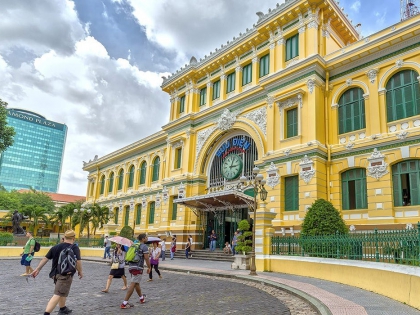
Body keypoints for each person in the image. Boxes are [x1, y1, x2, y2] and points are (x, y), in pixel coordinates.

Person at [31, 230, 83, 315]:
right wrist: (80, 271)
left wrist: (37, 269)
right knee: (58, 293)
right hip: (65, 274)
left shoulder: (56, 247)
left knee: (62, 290)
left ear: (64, 238)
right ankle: (46, 313)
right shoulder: (74, 247)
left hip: (54, 274)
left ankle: (63, 308)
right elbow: (78, 261)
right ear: (73, 238)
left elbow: (45, 259)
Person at [121, 233, 150, 309]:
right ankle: (124, 303)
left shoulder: (134, 245)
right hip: (138, 268)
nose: (147, 238)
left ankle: (141, 298)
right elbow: (146, 258)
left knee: (136, 283)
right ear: (143, 239)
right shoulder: (144, 247)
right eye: (146, 237)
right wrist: (149, 267)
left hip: (131, 267)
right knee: (133, 284)